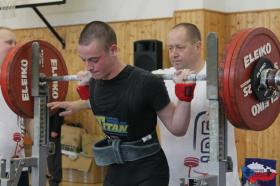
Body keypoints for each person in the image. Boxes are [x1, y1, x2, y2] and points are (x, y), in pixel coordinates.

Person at [48, 21, 195, 186]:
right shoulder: (95, 82)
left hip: (148, 172)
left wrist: (185, 94)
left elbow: (178, 128)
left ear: (113, 50)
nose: (88, 67)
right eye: (85, 60)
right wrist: (77, 104)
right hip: (116, 170)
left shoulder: (146, 82)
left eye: (94, 60)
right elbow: (112, 103)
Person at [154, 23, 241, 185]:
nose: (174, 54)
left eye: (180, 47)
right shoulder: (160, 80)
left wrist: (224, 109)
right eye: (170, 48)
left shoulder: (222, 79)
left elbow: (245, 111)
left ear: (198, 46)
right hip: (175, 178)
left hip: (218, 179)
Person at [0, 27, 29, 185]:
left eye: (15, 42)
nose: (14, 46)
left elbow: (28, 118)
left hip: (19, 165)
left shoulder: (18, 82)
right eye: (9, 42)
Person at [47, 109, 64, 186]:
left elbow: (60, 109)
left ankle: (55, 181)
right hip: (47, 131)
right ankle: (53, 180)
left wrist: (55, 129)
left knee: (53, 158)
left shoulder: (57, 97)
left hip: (52, 133)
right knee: (50, 158)